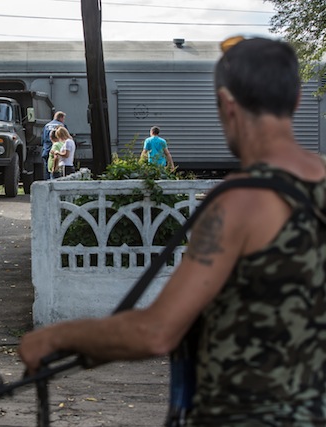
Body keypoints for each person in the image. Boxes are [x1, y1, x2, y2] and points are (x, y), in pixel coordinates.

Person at [19, 37, 326, 425]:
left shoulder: (238, 204)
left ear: (227, 105)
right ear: (297, 99)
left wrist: (56, 338)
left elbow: (157, 331)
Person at [41, 111, 68, 180]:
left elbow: (42, 139)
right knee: (56, 171)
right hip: (57, 150)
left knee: (47, 170)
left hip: (46, 150)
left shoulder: (46, 125)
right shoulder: (61, 126)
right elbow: (65, 138)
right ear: (61, 118)